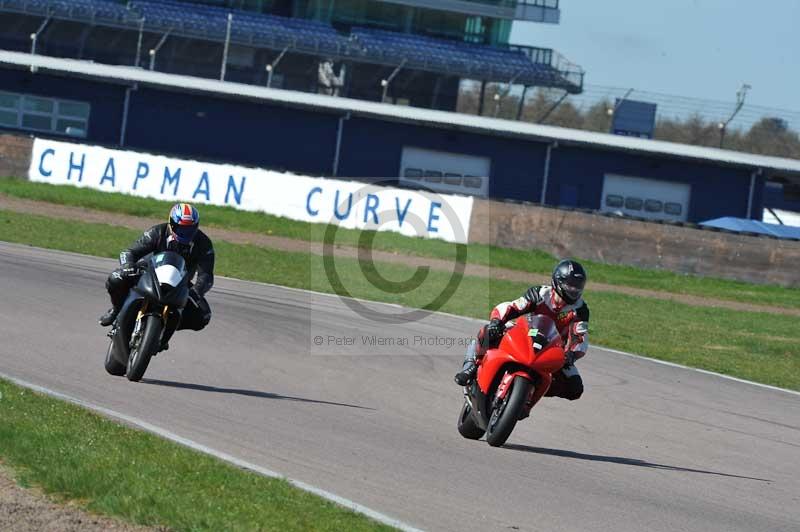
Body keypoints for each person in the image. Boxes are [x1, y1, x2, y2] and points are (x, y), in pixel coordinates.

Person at [454, 259, 589, 401]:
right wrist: (497, 322)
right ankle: (471, 367)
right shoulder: (540, 294)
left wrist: (571, 354)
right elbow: (513, 307)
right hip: (526, 333)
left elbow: (580, 336)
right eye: (570, 285)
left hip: (552, 348)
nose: (573, 290)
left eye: (577, 287)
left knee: (575, 388)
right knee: (488, 331)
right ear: (558, 281)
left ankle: (530, 393)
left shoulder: (580, 310)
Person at [98, 203, 215, 342]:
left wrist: (196, 292)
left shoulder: (204, 244)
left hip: (179, 282)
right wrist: (128, 265)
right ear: (171, 224)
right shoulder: (158, 232)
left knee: (203, 315)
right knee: (116, 278)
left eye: (189, 229)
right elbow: (128, 252)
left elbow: (206, 275)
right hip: (148, 272)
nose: (185, 233)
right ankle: (117, 309)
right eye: (181, 228)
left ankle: (164, 328)